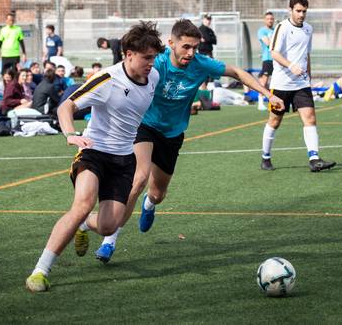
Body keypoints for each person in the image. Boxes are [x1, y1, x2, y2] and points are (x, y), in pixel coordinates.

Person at [78, 19, 284, 264]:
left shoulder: (200, 64)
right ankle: (109, 239)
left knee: (158, 193)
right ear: (171, 44)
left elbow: (237, 73)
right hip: (144, 126)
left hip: (173, 134)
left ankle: (150, 204)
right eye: (186, 47)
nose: (191, 53)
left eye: (195, 47)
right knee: (139, 178)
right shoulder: (157, 62)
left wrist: (269, 94)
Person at [25, 21, 164, 292]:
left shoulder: (154, 77)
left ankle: (84, 227)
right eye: (147, 58)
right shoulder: (107, 80)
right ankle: (40, 271)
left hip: (124, 161)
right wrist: (70, 134)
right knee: (83, 203)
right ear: (129, 54)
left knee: (109, 224)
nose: (151, 63)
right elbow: (66, 106)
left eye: (154, 58)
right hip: (93, 152)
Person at [260, 0, 336, 173]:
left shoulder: (309, 29)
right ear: (290, 10)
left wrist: (309, 77)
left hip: (301, 85)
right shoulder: (282, 27)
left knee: (310, 118)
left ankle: (314, 158)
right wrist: (291, 66)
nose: (302, 14)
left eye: (304, 11)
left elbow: (306, 55)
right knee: (274, 120)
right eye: (298, 11)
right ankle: (265, 157)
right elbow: (274, 53)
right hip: (281, 85)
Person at [257, 11, 276, 110]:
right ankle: (260, 102)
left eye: (271, 19)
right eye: (268, 19)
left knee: (277, 81)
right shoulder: (262, 31)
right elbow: (267, 42)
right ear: (265, 20)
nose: (270, 21)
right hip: (268, 59)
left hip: (277, 59)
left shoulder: (275, 30)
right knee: (264, 81)